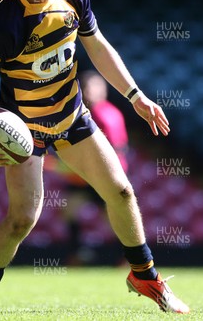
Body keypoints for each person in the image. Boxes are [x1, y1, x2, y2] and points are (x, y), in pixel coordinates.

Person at [0, 0, 189, 314]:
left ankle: (145, 276)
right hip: (26, 131)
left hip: (72, 117)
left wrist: (135, 96)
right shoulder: (3, 25)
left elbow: (99, 46)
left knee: (121, 191)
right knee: (22, 219)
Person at [45, 70, 129, 266]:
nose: (88, 91)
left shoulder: (102, 114)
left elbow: (113, 150)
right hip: (85, 176)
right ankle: (79, 253)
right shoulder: (92, 112)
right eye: (86, 87)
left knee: (111, 218)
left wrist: (61, 166)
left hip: (101, 174)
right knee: (71, 210)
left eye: (92, 87)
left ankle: (125, 257)